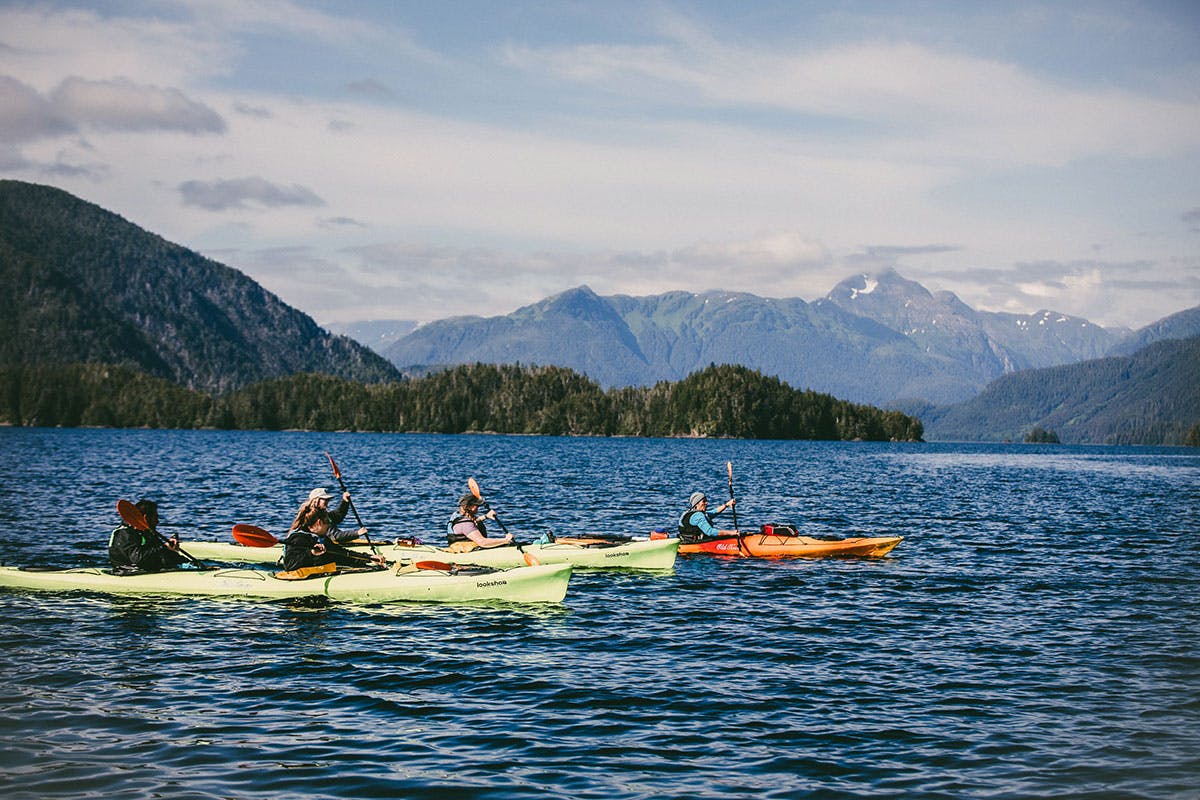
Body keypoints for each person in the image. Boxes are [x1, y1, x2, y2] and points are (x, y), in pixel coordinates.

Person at [281, 502, 385, 573]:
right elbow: (289, 565)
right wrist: (311, 553)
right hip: (302, 579)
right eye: (328, 521)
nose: (329, 524)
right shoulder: (299, 539)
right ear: (319, 522)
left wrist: (369, 558)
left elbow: (343, 554)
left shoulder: (322, 538)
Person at [109, 499, 188, 574]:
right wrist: (164, 547)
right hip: (128, 573)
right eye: (156, 517)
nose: (158, 521)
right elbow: (138, 559)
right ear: (146, 517)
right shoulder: (126, 534)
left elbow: (161, 552)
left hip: (147, 569)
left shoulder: (146, 532)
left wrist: (186, 562)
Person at [289, 487, 367, 544]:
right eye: (325, 499)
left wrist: (345, 502)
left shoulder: (321, 513)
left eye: (328, 500)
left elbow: (337, 516)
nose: (327, 502)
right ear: (316, 500)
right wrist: (357, 533)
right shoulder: (313, 516)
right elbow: (336, 536)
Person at [447, 493, 513, 550]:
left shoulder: (456, 515)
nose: (478, 508)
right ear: (468, 507)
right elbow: (483, 542)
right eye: (477, 506)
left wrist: (486, 516)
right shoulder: (465, 524)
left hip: (460, 547)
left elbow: (472, 522)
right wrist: (506, 540)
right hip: (466, 551)